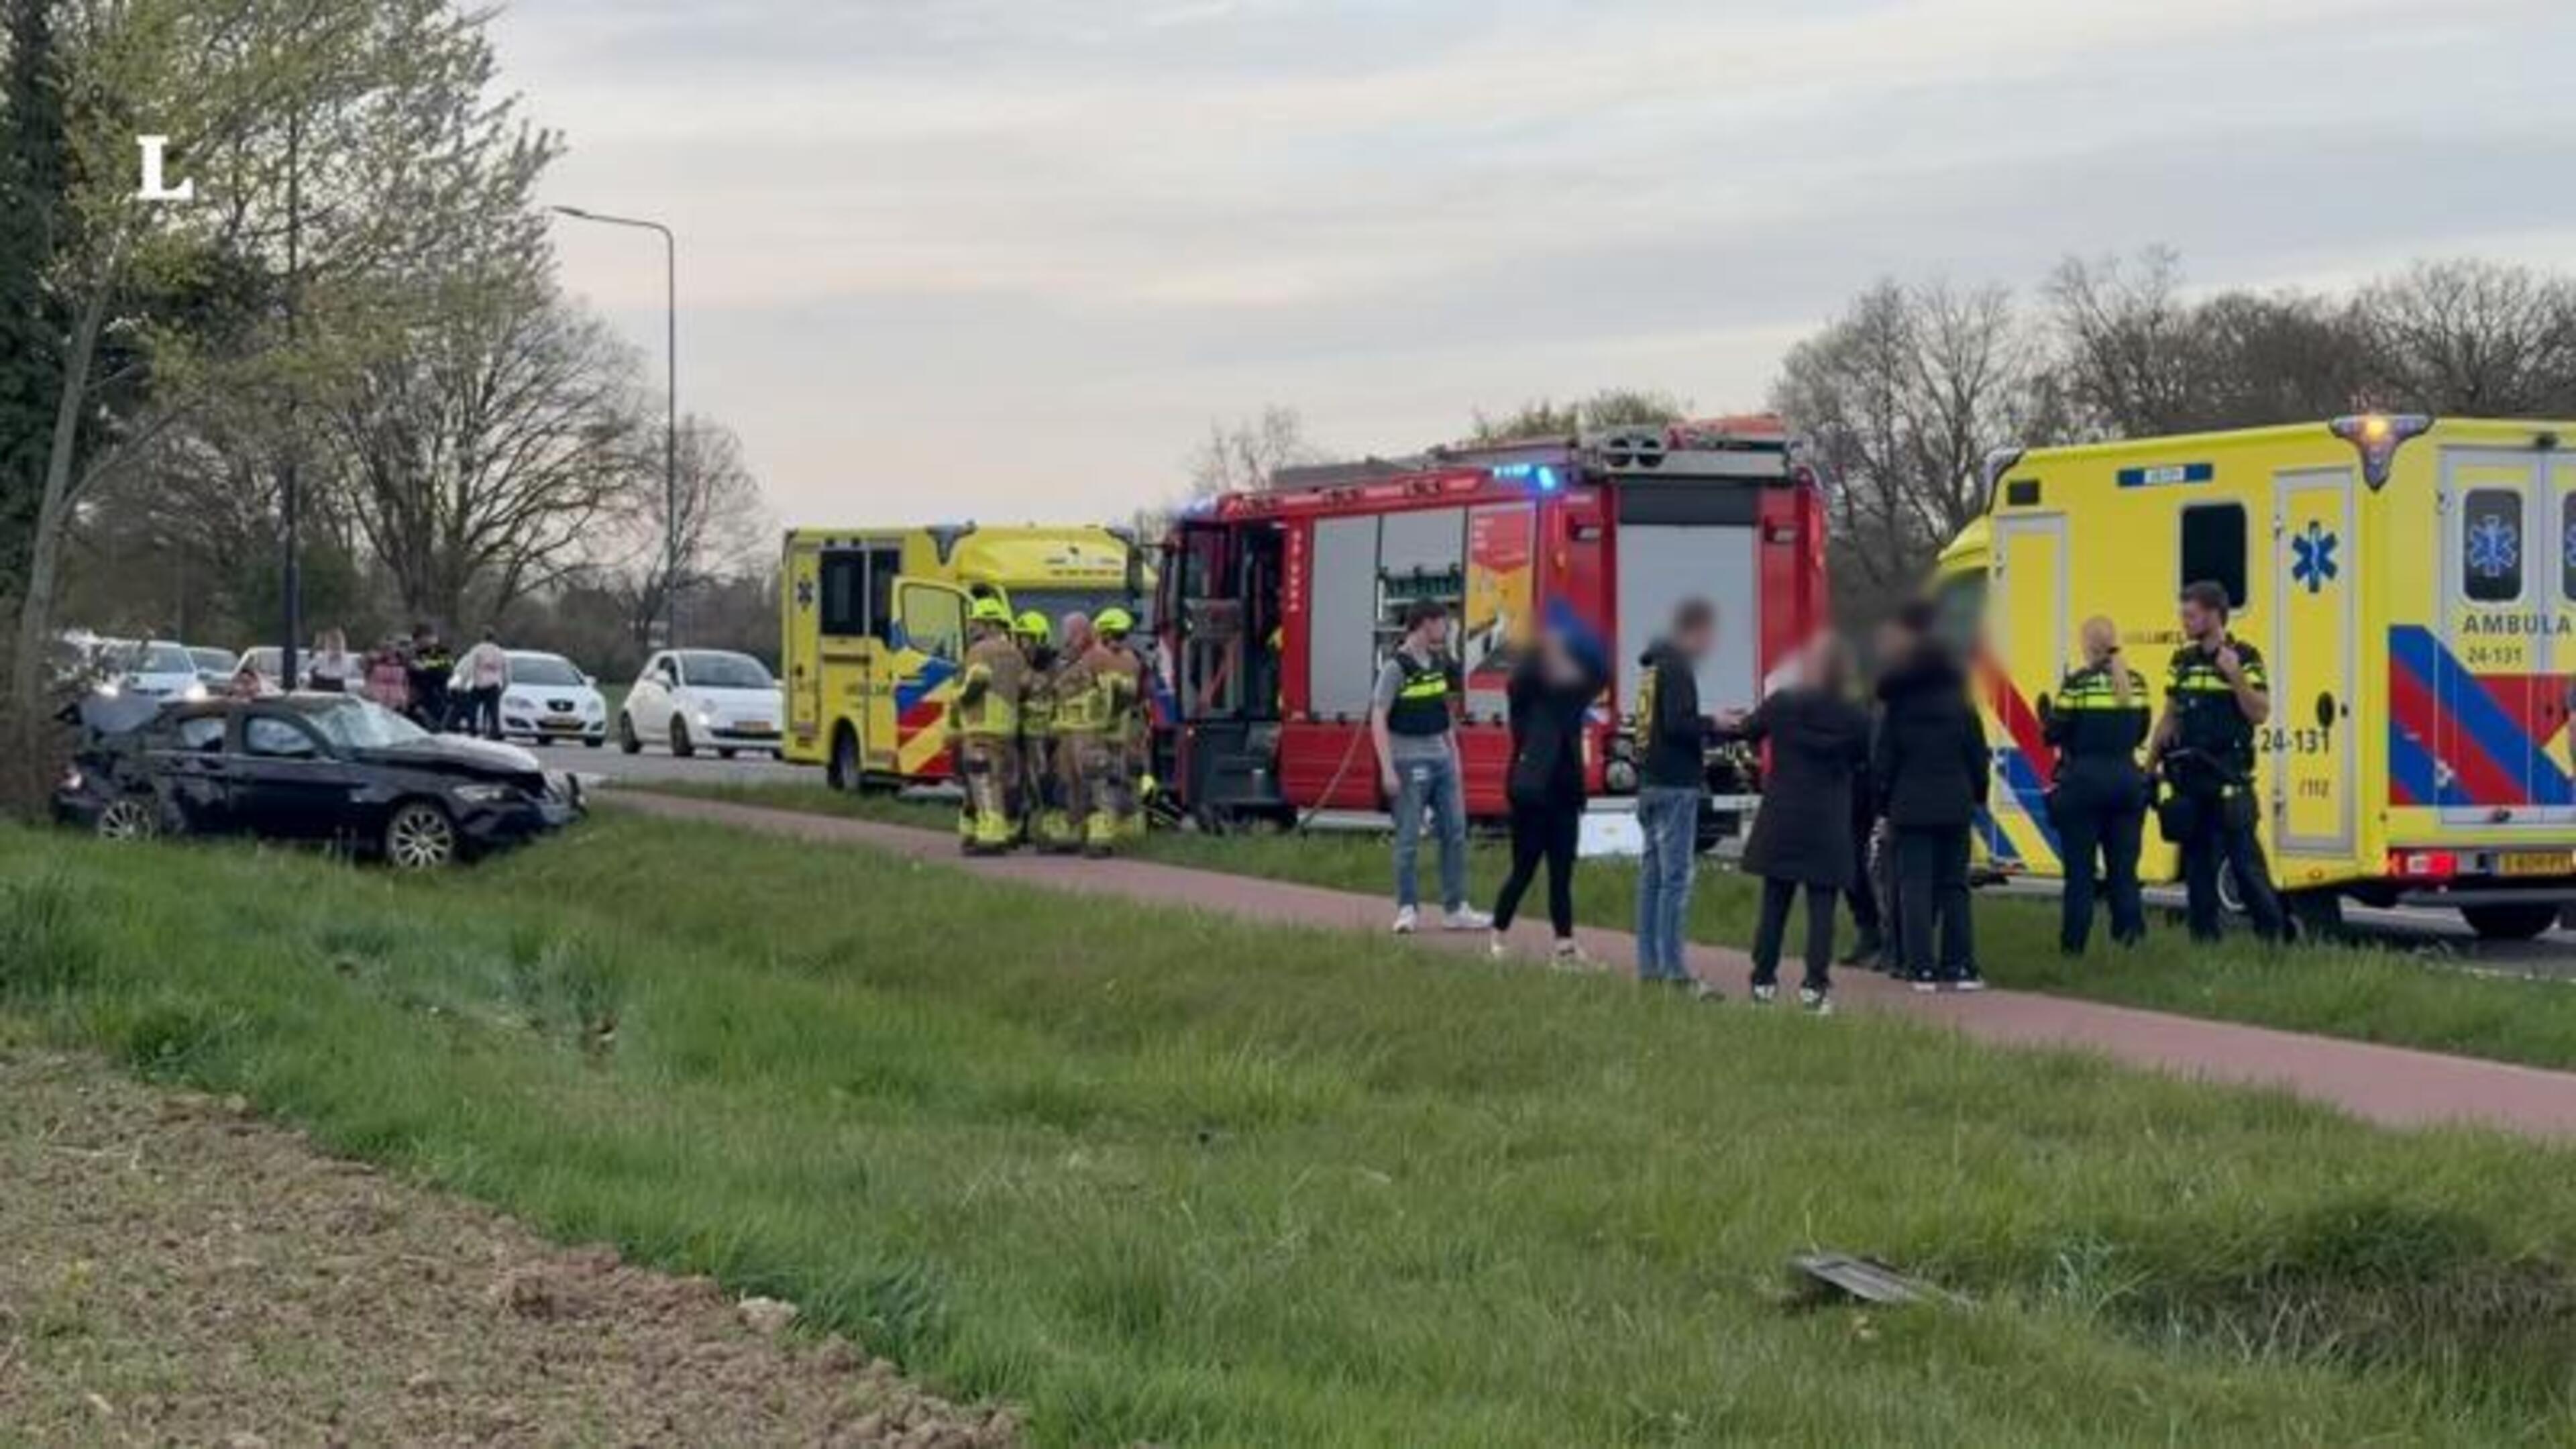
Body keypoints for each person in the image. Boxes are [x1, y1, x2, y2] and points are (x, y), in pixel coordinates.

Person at [1724, 639, 1872, 1012]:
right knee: (1823, 909)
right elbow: (1865, 758)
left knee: (1775, 904)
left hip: (1783, 816)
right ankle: (1814, 988)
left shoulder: (1784, 702)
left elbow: (1749, 730)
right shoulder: (1856, 715)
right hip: (1828, 819)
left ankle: (1763, 983)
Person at [2153, 580, 2288, 943]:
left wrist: (2236, 677)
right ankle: (2204, 940)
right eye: (2183, 614)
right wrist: (2148, 770)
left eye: (2191, 615)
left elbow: (2260, 713)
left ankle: (2273, 937)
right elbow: (2169, 719)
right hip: (2191, 780)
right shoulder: (2182, 661)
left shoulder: (2245, 656)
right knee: (2197, 866)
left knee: (2245, 865)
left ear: (2214, 616)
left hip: (2230, 778)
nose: (2184, 622)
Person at [1874, 599, 1990, 992]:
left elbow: (1884, 760)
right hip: (1955, 803)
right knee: (1955, 886)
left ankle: (1920, 966)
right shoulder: (1962, 704)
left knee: (1915, 886)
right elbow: (1977, 754)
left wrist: (1882, 805)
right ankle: (1961, 965)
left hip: (1910, 804)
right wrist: (1978, 795)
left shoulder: (1898, 706)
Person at [1487, 612, 1609, 965]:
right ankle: (1498, 934)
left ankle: (1564, 945)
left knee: (1562, 874)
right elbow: (1519, 681)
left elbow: (1599, 675)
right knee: (1523, 870)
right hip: (1532, 793)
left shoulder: (1570, 698)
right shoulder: (1527, 698)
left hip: (1565, 795)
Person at [1371, 600, 1487, 934]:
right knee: (1408, 838)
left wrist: (1455, 756)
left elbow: (1443, 713)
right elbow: (1378, 717)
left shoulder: (1437, 662)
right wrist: (1388, 769)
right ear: (1426, 624)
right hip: (1409, 763)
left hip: (1442, 761)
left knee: (1455, 833)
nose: (1447, 629)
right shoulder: (1395, 668)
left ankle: (1456, 908)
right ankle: (1407, 909)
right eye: (1443, 623)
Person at [2047, 616, 2152, 953]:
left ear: (2087, 645)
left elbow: (2054, 733)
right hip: (2127, 785)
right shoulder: (2137, 684)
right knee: (2124, 873)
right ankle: (2130, 942)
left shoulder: (2077, 684)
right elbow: (2142, 732)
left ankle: (2074, 948)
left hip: (2084, 786)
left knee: (2080, 874)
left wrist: (2048, 717)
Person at [1631, 597, 1719, 994]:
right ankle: (1675, 969)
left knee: (1651, 879)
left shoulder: (1652, 668)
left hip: (1650, 782)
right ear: (1695, 630)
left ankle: (1649, 965)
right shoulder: (1678, 667)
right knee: (1676, 880)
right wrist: (1714, 722)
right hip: (1675, 784)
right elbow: (1679, 724)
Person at [951, 596, 1028, 855]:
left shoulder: (979, 651)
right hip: (1007, 728)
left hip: (980, 726)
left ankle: (991, 836)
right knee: (996, 781)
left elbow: (978, 679)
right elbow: (1026, 686)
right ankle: (980, 830)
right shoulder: (1016, 653)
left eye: (976, 623)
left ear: (989, 624)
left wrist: (959, 698)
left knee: (983, 781)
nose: (972, 628)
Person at [1013, 610, 1068, 850]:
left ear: (1040, 639)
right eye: (1020, 638)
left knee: (1045, 783)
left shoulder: (1056, 668)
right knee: (1019, 783)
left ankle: (1051, 829)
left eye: (1026, 638)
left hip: (1047, 737)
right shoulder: (1019, 666)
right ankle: (1020, 827)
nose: (1022, 644)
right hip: (1021, 734)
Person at [458, 629, 509, 741]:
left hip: (479, 684)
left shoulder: (477, 650)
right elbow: (507, 671)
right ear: (494, 638)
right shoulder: (500, 652)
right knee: (493, 711)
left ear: (482, 638)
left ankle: (472, 730)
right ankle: (495, 731)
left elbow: (469, 667)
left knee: (472, 709)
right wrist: (504, 686)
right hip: (493, 685)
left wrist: (463, 684)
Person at [406, 626, 453, 731]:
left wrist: (425, 669)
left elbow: (446, 673)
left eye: (426, 638)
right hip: (415, 698)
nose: (421, 643)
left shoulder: (442, 652)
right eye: (418, 640)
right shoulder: (413, 654)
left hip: (436, 697)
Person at [307, 628, 358, 694]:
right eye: (332, 647)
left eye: (338, 648)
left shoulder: (348, 660)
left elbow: (349, 676)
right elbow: (307, 671)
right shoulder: (320, 658)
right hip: (321, 687)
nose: (335, 651)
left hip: (338, 687)